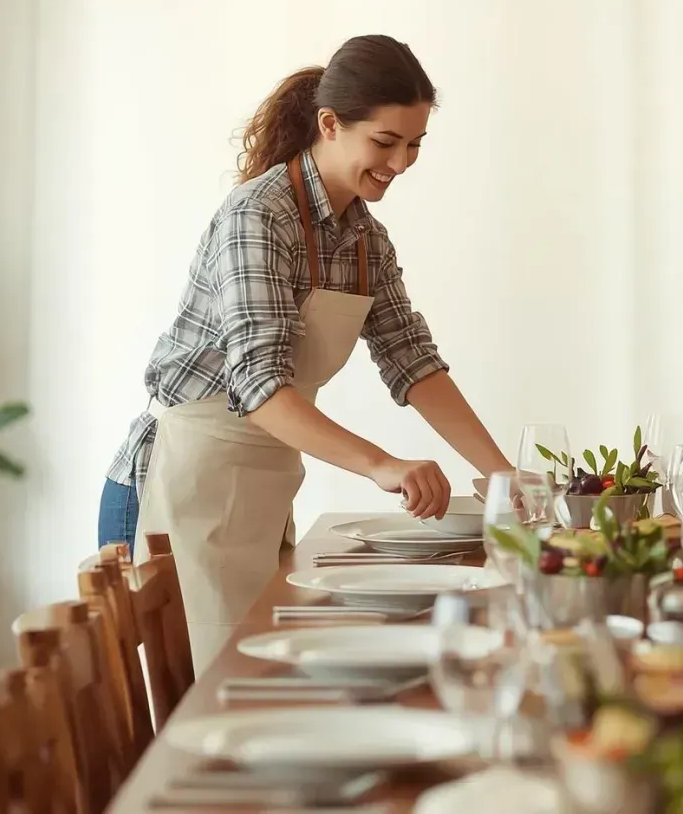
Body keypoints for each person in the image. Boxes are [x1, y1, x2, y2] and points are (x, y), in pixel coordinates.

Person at [98, 35, 513, 667]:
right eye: (385, 142)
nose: (400, 163)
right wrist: (380, 464)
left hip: (260, 490)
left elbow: (414, 362)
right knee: (202, 716)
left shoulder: (367, 241)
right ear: (329, 124)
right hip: (177, 488)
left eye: (415, 145)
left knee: (249, 683)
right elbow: (259, 386)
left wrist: (506, 478)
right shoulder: (258, 217)